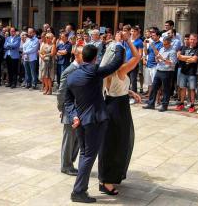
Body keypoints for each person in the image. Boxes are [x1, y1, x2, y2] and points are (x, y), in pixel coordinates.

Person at [64, 43, 125, 203]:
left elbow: (68, 101)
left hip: (80, 121)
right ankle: (78, 191)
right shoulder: (94, 71)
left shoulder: (72, 76)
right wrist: (119, 46)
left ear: (83, 56)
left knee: (85, 155)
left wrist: (74, 116)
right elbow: (116, 63)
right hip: (95, 121)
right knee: (88, 156)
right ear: (95, 58)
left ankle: (79, 190)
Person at [98, 32, 142, 195]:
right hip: (119, 109)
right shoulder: (122, 69)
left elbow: (116, 87)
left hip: (110, 103)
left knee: (109, 144)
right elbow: (137, 57)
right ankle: (107, 182)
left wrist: (130, 91)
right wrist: (129, 41)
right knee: (118, 145)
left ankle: (105, 178)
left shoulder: (104, 71)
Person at [56, 45, 83, 177]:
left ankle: (70, 163)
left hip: (79, 110)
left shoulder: (81, 68)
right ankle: (66, 165)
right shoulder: (69, 70)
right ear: (77, 56)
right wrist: (62, 108)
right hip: (70, 110)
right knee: (69, 139)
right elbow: (61, 92)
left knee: (77, 139)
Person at [143, 36, 178, 112]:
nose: (164, 45)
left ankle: (164, 105)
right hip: (159, 70)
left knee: (166, 90)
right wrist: (157, 59)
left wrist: (162, 59)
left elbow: (173, 63)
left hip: (167, 72)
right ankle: (151, 104)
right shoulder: (162, 49)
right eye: (164, 44)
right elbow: (159, 59)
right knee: (154, 87)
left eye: (166, 44)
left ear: (170, 43)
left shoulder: (172, 51)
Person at [176, 33, 198, 113]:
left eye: (194, 39)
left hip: (192, 73)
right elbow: (179, 57)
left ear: (196, 40)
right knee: (182, 88)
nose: (192, 41)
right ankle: (182, 103)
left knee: (192, 89)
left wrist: (185, 58)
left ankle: (192, 104)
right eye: (191, 39)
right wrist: (190, 57)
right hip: (183, 71)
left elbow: (195, 60)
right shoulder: (184, 47)